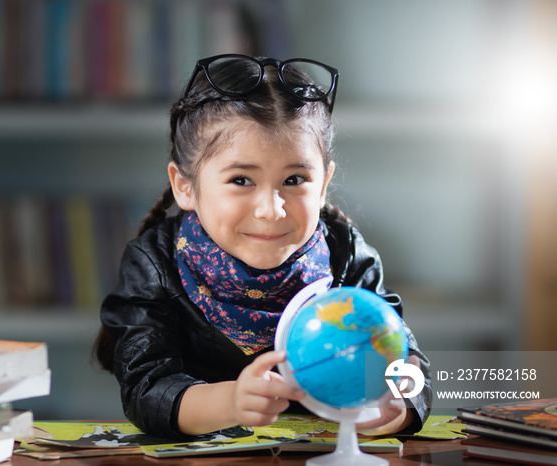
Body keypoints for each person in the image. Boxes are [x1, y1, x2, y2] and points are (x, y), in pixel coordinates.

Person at [95, 54, 432, 440]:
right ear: (185, 185)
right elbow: (146, 391)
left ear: (323, 185)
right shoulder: (154, 263)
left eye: (294, 179)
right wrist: (233, 402)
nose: (271, 210)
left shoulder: (346, 256)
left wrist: (399, 406)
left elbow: (405, 359)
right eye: (241, 180)